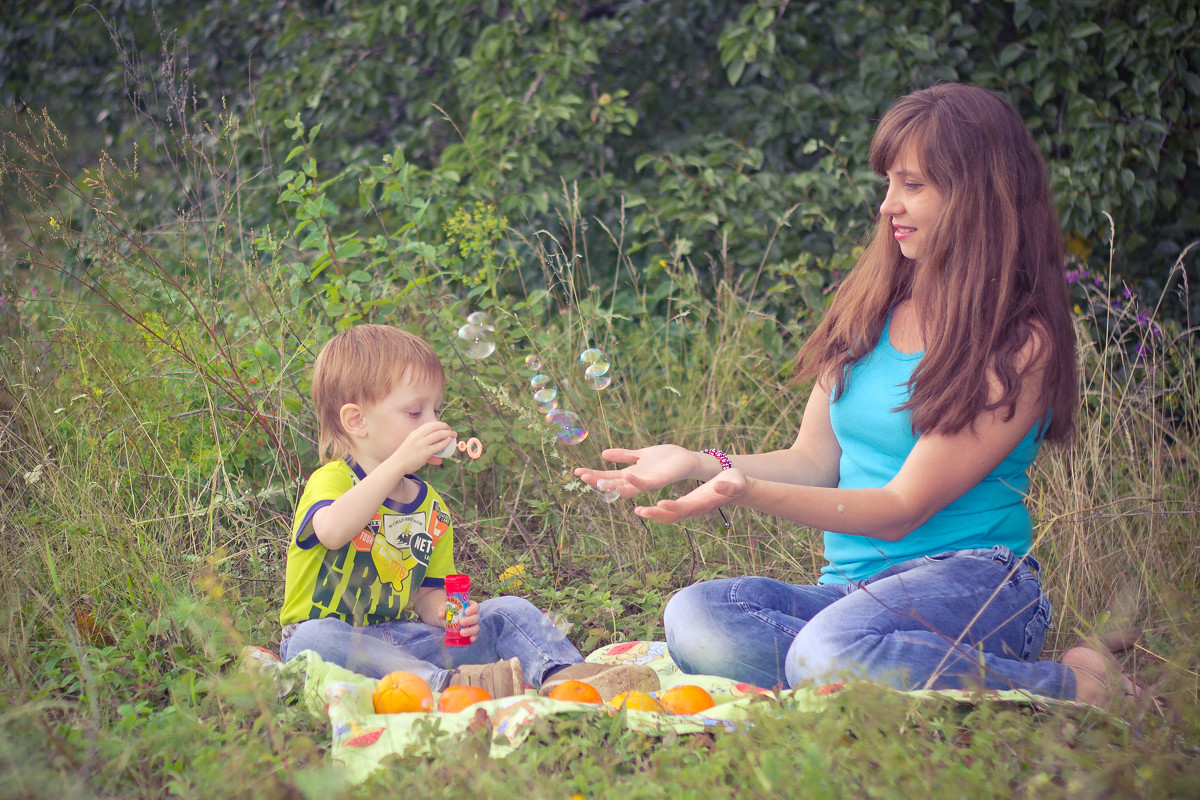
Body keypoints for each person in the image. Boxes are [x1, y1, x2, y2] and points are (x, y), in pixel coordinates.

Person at [575, 83, 1139, 708]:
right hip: (850, 595)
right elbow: (815, 462)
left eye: (913, 185)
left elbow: (901, 507)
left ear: (980, 196)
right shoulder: (870, 309)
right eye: (889, 183)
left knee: (830, 654)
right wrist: (699, 462)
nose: (887, 206)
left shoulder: (1016, 342)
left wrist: (753, 494)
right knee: (696, 616)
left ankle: (1079, 686)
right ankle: (879, 671)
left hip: (973, 583)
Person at [280, 324, 656, 700]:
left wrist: (450, 613)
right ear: (357, 421)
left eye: (435, 410)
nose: (434, 424)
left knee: (507, 610)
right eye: (415, 413)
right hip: (336, 643)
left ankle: (565, 675)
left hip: (405, 639)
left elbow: (428, 595)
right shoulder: (333, 480)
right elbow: (332, 531)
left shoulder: (430, 506)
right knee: (313, 640)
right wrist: (395, 464)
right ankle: (445, 687)